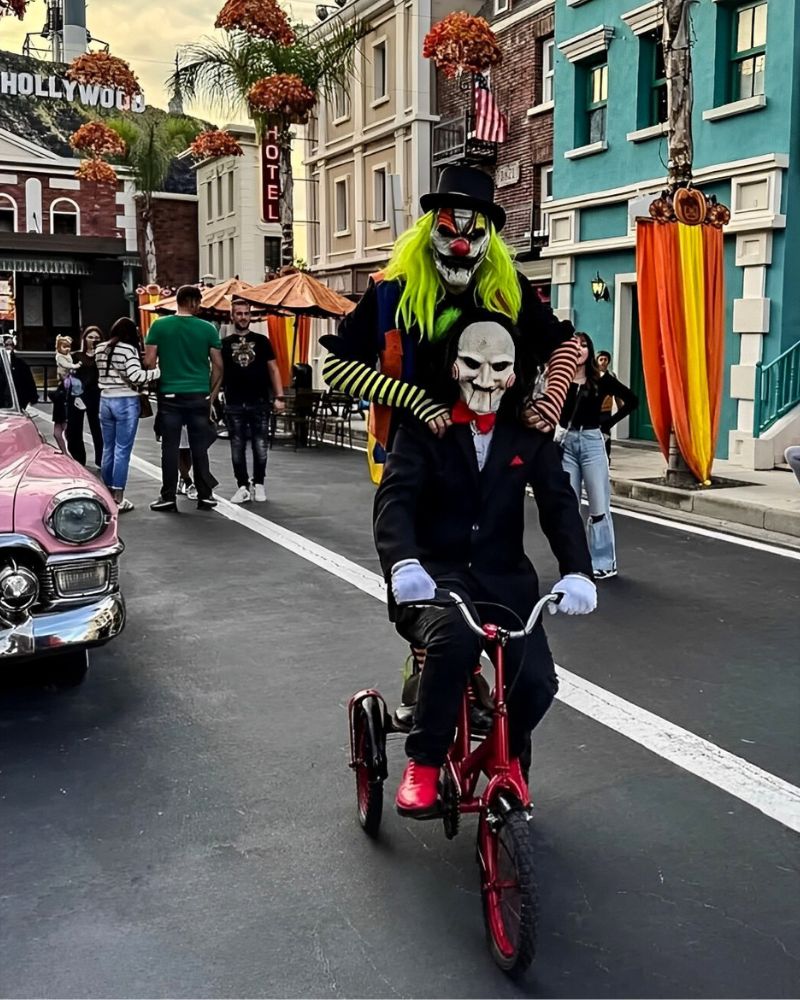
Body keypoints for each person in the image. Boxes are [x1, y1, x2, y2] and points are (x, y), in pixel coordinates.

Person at [374, 311, 596, 815]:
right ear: (454, 367)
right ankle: (425, 760)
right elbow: (396, 499)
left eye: (499, 368)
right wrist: (404, 564)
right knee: (453, 641)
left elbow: (559, 503)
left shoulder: (527, 433)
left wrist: (577, 571)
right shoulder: (422, 425)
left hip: (504, 581)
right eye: (473, 364)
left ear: (515, 375)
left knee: (537, 682)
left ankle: (509, 753)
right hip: (434, 577)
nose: (486, 379)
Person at [321, 165, 580, 481]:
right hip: (413, 459)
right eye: (446, 232)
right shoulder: (391, 291)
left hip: (490, 461)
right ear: (428, 235)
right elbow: (336, 368)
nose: (461, 246)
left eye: (475, 235)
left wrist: (551, 402)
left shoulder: (509, 290)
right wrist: (413, 399)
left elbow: (565, 345)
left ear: (490, 242)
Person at [557, 332, 638, 580]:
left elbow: (632, 400)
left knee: (599, 505)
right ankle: (574, 563)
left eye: (583, 345)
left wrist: (606, 425)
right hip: (565, 443)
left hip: (592, 442)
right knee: (568, 507)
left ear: (590, 351)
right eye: (574, 345)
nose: (579, 349)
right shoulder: (559, 379)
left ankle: (603, 563)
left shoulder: (601, 380)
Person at [144, 284, 223, 512]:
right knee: (199, 447)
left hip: (169, 395)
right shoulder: (208, 329)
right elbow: (218, 365)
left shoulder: (159, 326)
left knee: (169, 447)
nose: (200, 307)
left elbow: (149, 362)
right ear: (192, 302)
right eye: (199, 302)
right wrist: (210, 393)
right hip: (198, 395)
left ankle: (168, 497)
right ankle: (205, 496)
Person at [221, 299, 285, 503]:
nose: (243, 317)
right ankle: (242, 485)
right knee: (237, 447)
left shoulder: (262, 341)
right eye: (239, 313)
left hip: (259, 401)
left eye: (246, 313)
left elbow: (273, 369)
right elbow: (217, 371)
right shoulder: (224, 343)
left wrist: (279, 396)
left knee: (260, 445)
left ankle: (259, 483)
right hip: (233, 402)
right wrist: (211, 397)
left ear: (251, 316)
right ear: (232, 316)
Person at [95, 318, 160, 513]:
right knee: (122, 450)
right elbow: (135, 376)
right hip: (125, 401)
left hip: (105, 400)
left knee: (108, 448)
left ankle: (106, 492)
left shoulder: (100, 348)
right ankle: (118, 497)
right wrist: (157, 372)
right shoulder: (128, 350)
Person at [66, 326, 104, 468]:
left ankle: (101, 459)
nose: (94, 340)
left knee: (98, 428)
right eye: (90, 337)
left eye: (97, 337)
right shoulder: (76, 356)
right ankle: (78, 458)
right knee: (74, 428)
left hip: (97, 393)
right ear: (84, 339)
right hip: (78, 394)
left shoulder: (103, 355)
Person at [2, 333, 38, 409]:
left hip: (18, 398)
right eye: (6, 345)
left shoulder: (20, 363)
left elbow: (28, 380)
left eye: (11, 345)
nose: (8, 347)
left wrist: (33, 397)